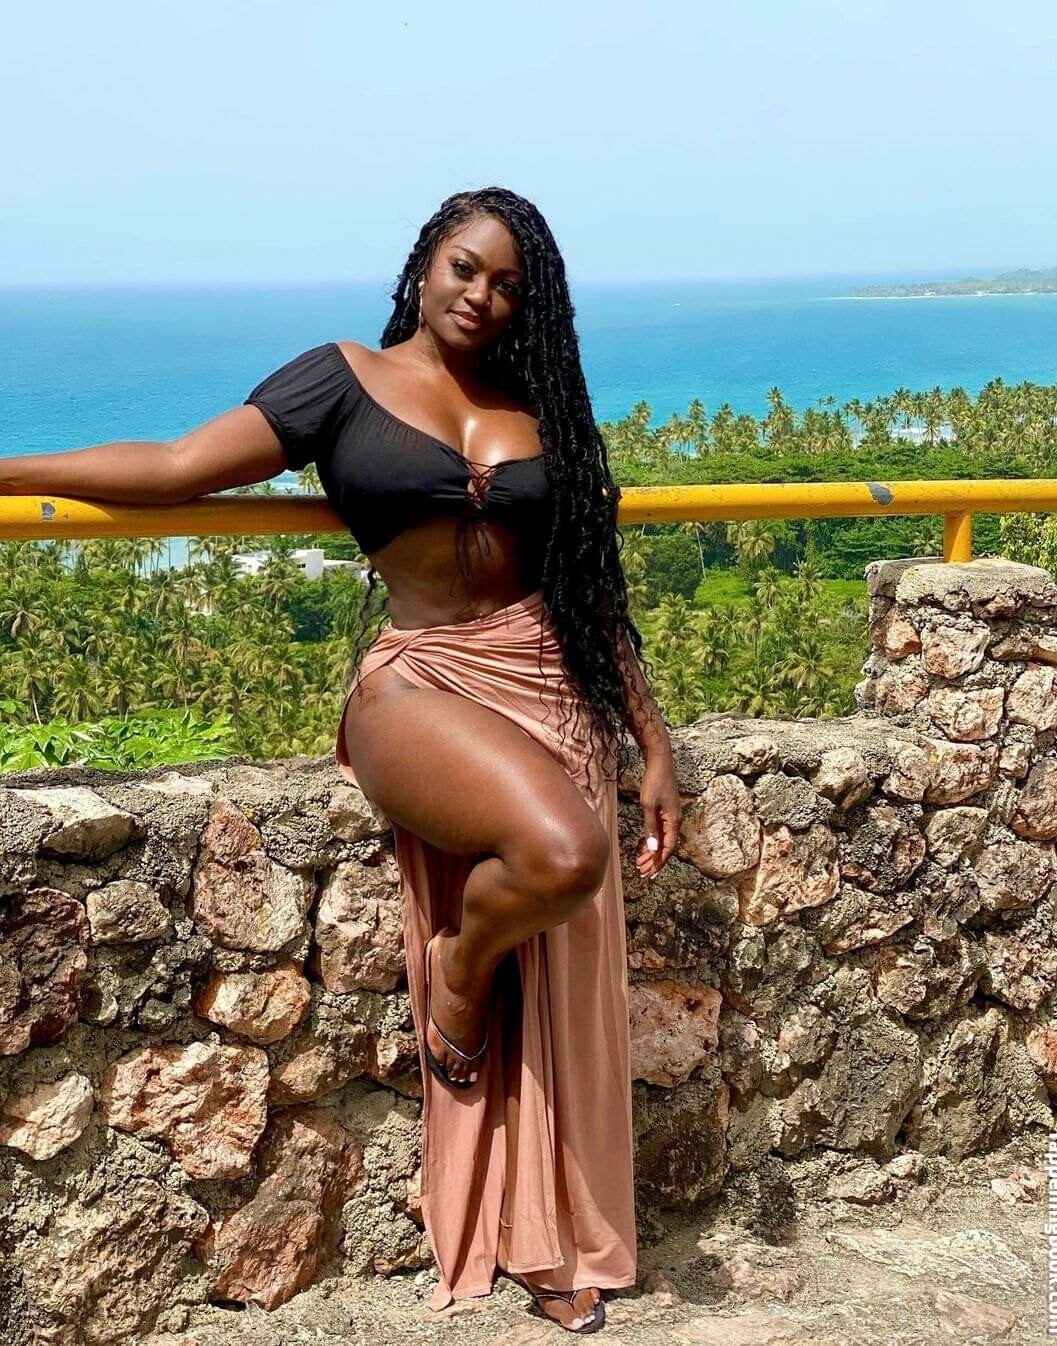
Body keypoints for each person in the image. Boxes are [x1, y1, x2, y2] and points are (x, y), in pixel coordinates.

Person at [2, 186, 682, 1333]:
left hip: (547, 678)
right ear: (426, 263)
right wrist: (8, 471)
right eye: (466, 267)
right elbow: (175, 464)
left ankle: (550, 1231)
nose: (482, 295)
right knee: (562, 849)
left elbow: (587, 583)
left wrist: (653, 743)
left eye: (508, 284)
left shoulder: (537, 404)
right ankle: (457, 969)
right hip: (418, 681)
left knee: (565, 965)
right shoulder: (340, 380)